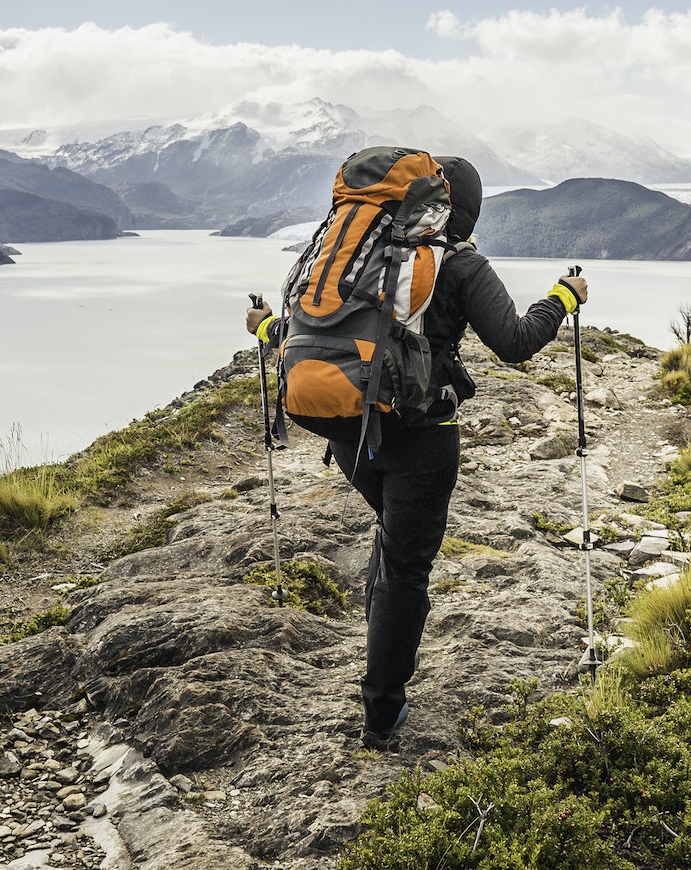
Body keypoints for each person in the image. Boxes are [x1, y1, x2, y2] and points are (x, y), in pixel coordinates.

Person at [244, 155, 589, 750]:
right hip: (421, 435)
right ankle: (381, 713)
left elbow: (315, 335)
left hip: (347, 430)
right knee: (407, 566)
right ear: (468, 212)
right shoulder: (458, 264)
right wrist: (564, 296)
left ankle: (382, 653)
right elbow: (516, 342)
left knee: (393, 536)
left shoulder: (350, 258)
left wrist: (263, 329)